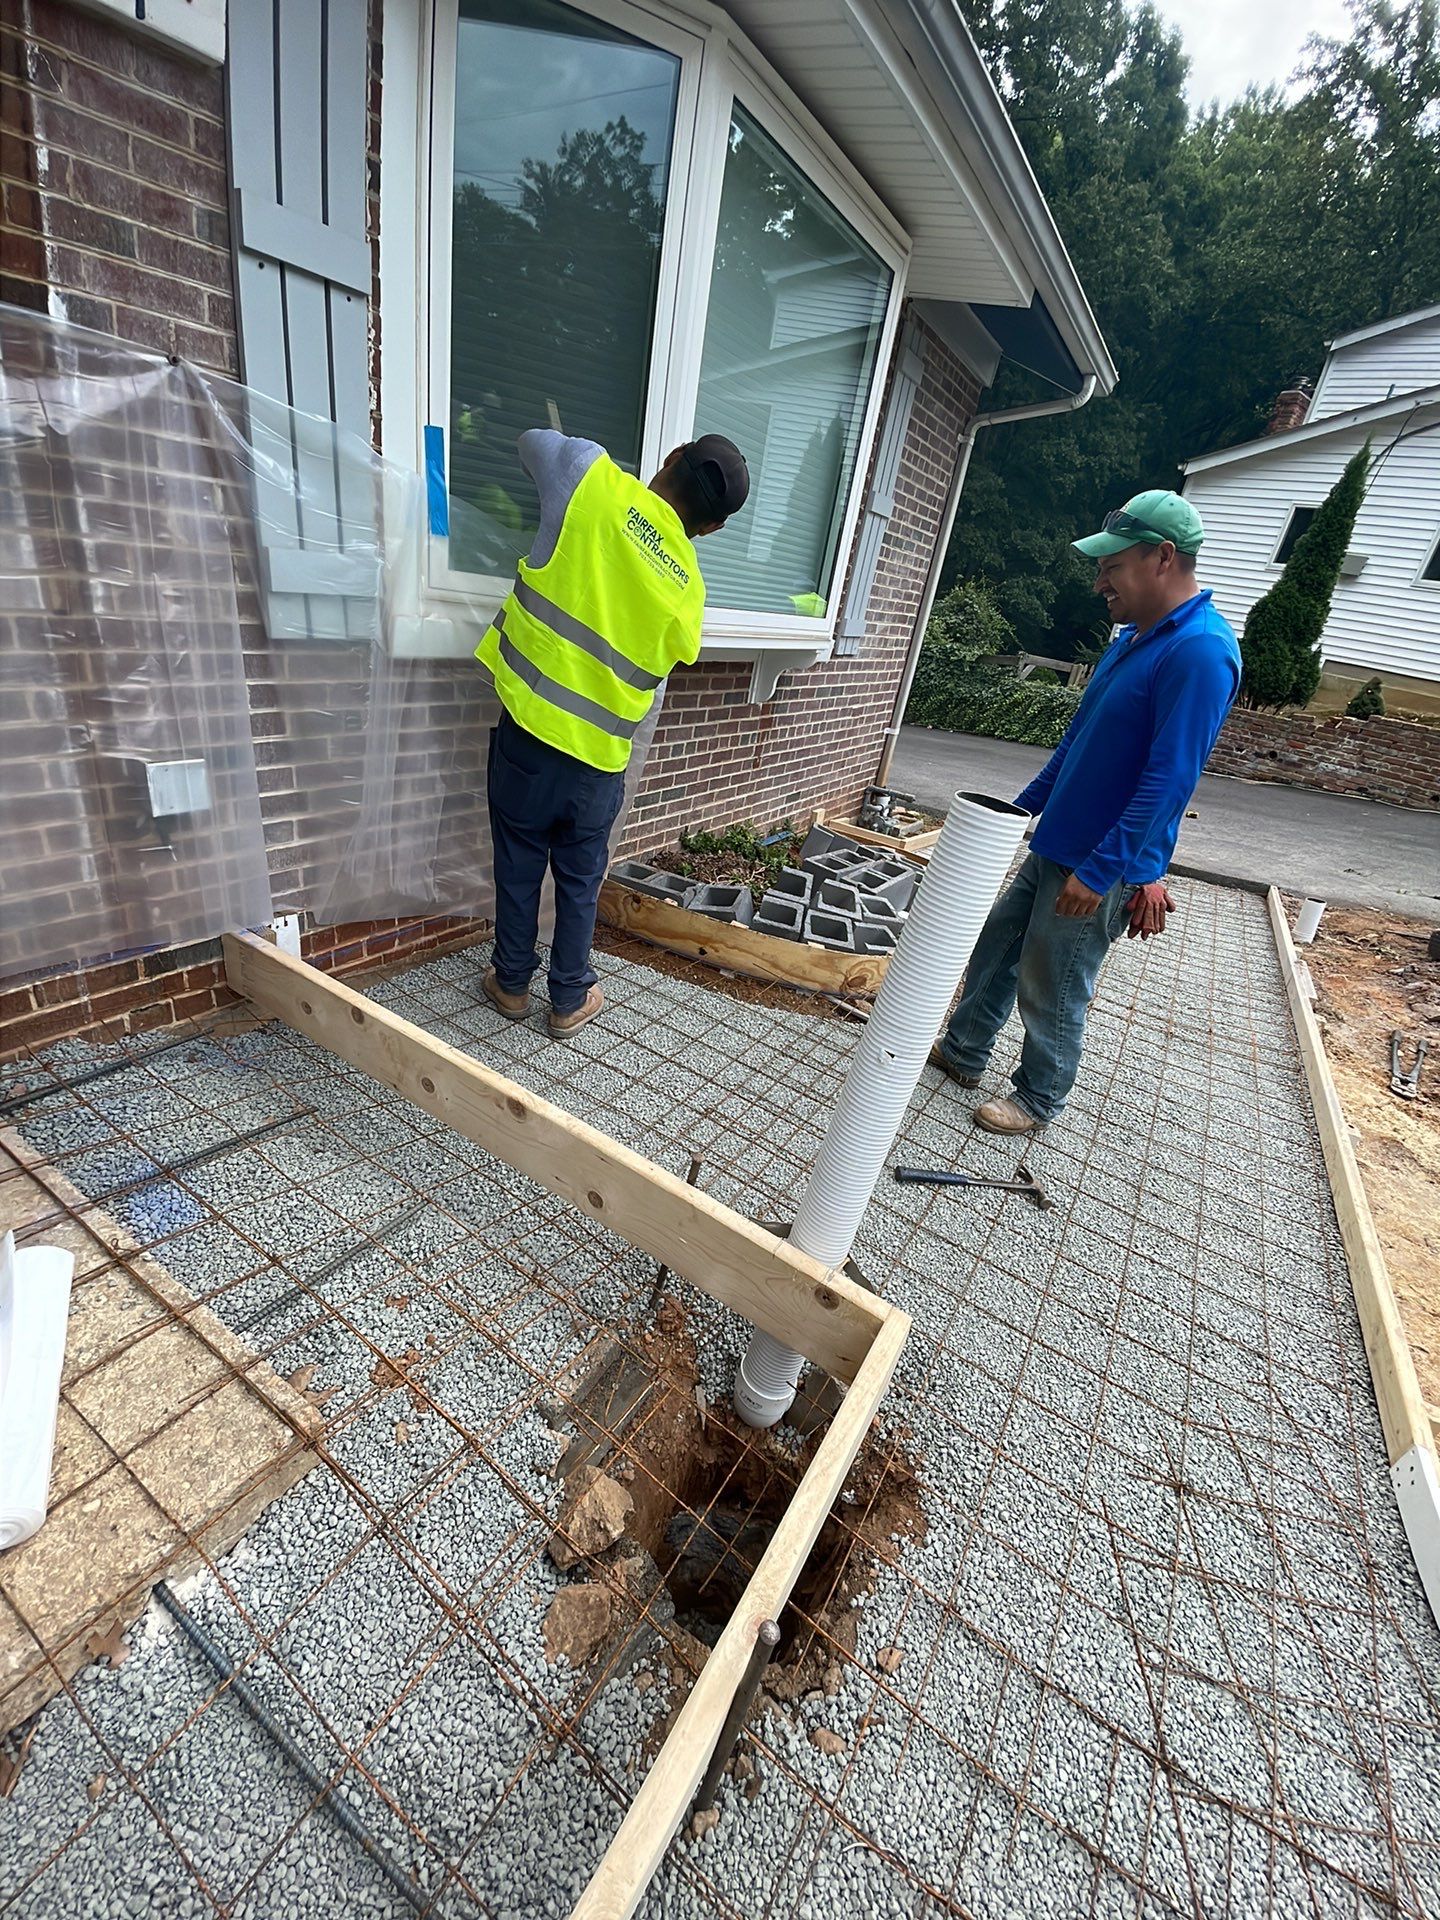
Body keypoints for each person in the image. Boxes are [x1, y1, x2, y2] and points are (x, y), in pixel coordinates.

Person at [931, 489, 1241, 1133]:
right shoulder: (1132, 639)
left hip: (1099, 861)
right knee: (998, 944)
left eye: (1113, 567)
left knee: (1056, 981)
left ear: (1163, 557)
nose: (1100, 581)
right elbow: (1078, 741)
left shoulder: (1202, 653)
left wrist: (1102, 872)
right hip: (1056, 840)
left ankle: (1039, 1097)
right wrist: (1014, 814)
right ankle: (964, 1052)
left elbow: (1169, 780)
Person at [476, 429, 749, 1036]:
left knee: (518, 864)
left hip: (529, 737)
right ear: (712, 529)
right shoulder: (689, 592)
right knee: (579, 881)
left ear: (671, 456)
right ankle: (570, 999)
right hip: (599, 766)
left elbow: (526, 444)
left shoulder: (588, 477)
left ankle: (511, 984)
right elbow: (677, 653)